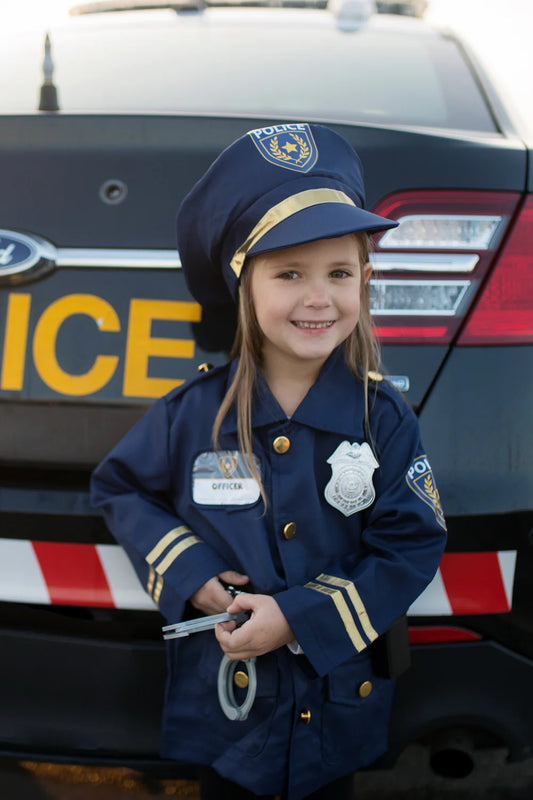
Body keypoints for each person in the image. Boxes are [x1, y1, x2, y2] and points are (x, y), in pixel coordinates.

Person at [90, 123, 447, 800]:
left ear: (364, 280)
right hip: (226, 715)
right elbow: (120, 488)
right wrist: (191, 573)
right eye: (289, 273)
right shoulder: (193, 413)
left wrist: (298, 620)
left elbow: (411, 543)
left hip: (334, 708)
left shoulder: (384, 420)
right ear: (242, 284)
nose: (319, 297)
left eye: (339, 273)